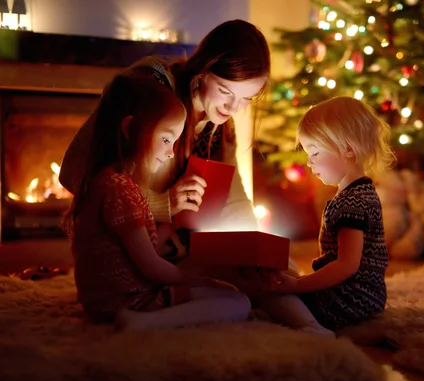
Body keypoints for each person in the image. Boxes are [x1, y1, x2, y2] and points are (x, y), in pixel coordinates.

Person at [59, 19, 270, 248]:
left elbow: (233, 201)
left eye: (246, 98)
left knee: (282, 270)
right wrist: (162, 203)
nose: (232, 108)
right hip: (127, 249)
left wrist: (254, 249)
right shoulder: (152, 89)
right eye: (224, 91)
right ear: (203, 70)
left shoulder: (220, 126)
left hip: (183, 249)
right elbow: (75, 171)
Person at [62, 75, 251, 330]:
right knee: (238, 303)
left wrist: (174, 224)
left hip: (105, 298)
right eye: (165, 139)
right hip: (129, 299)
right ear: (130, 130)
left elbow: (142, 245)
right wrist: (198, 280)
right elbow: (151, 266)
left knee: (229, 296)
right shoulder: (119, 189)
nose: (171, 152)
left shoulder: (112, 182)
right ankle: (147, 322)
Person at [257, 96, 395, 336]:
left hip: (351, 299)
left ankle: (311, 327)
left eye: (315, 152)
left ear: (348, 149)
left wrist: (300, 286)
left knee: (271, 295)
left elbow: (347, 265)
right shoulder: (358, 193)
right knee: (284, 271)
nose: (309, 163)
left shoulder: (353, 202)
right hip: (360, 294)